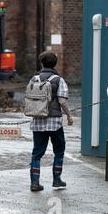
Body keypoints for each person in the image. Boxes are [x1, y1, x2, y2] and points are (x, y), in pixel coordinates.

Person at [29, 51, 73, 192]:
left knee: (37, 153)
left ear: (41, 63)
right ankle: (57, 180)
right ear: (55, 63)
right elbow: (62, 101)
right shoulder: (59, 80)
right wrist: (69, 116)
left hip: (38, 120)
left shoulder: (34, 79)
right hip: (54, 122)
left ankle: (34, 183)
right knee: (59, 150)